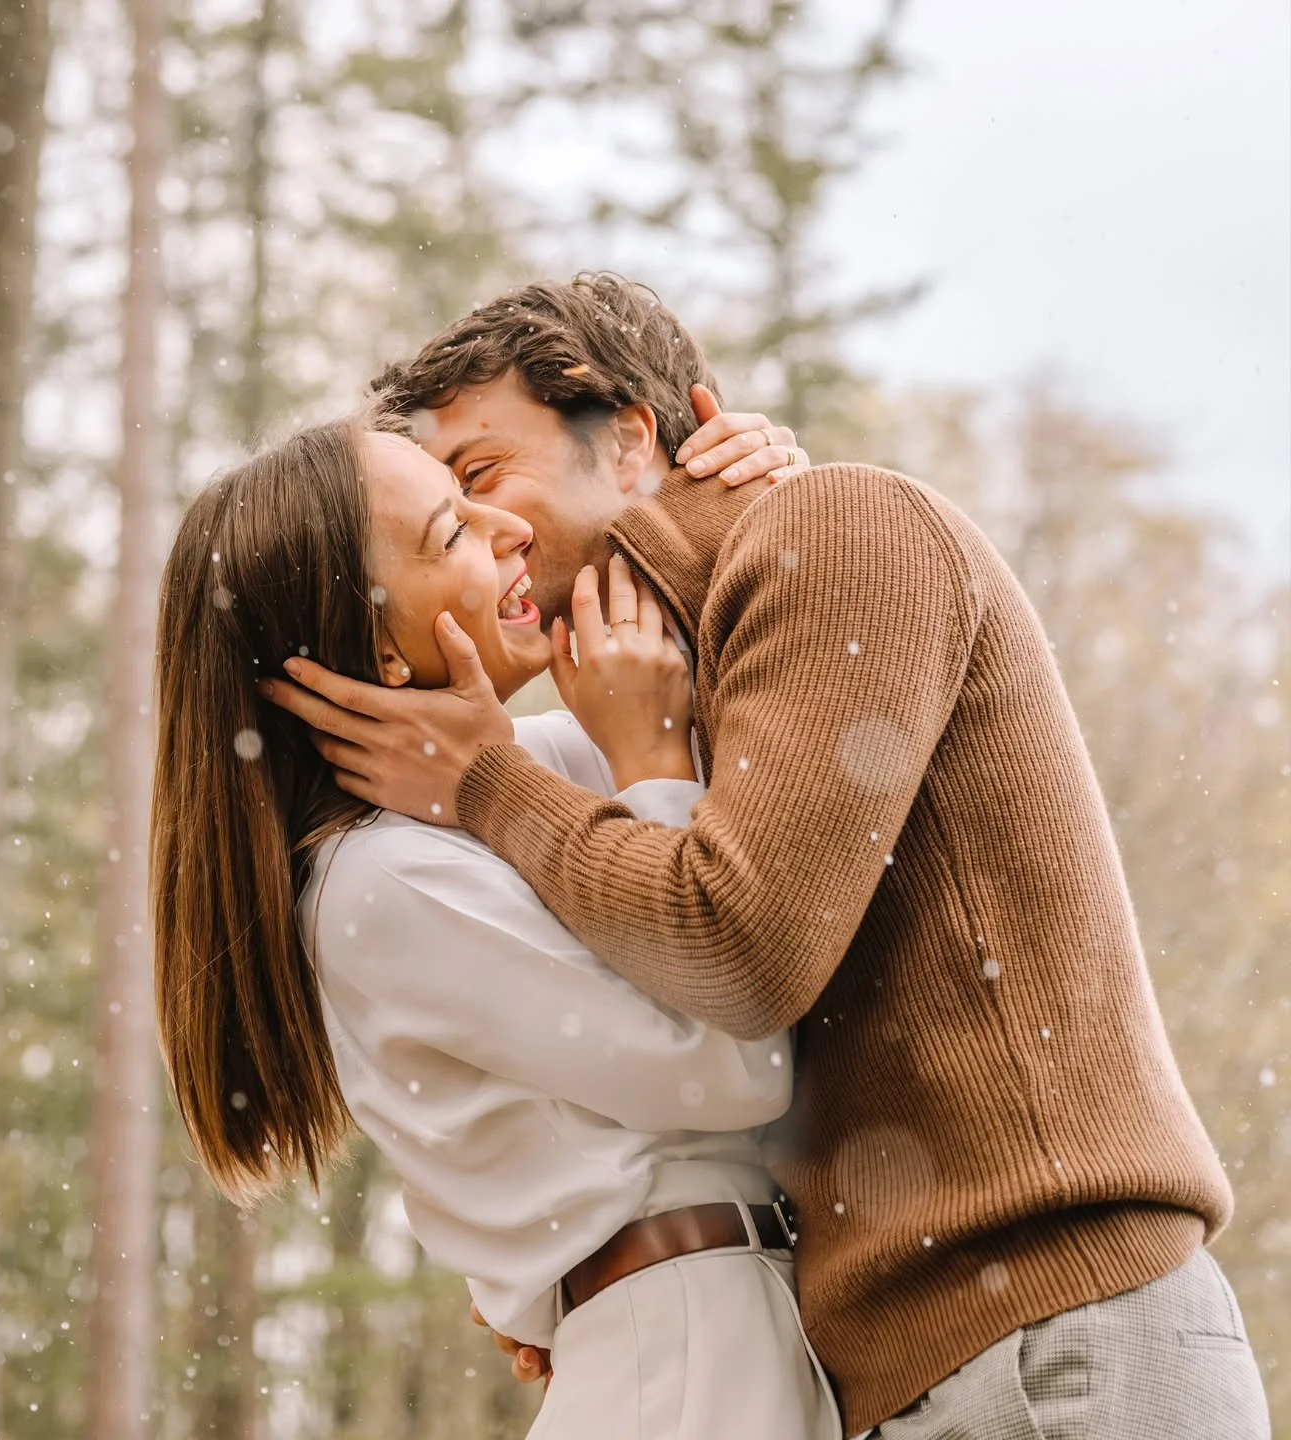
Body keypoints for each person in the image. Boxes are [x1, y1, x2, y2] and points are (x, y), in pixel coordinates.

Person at [264, 273, 1272, 1439]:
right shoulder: (680, 689)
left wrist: (490, 780)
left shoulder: (835, 529)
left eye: (482, 475)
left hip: (1051, 1332)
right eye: (445, 506)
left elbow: (738, 960)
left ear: (631, 440)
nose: (483, 536)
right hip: (936, 1357)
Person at [150, 413, 842, 1439]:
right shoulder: (381, 883)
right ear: (386, 652)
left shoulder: (507, 784)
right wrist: (652, 765)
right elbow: (734, 1063)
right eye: (450, 531)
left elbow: (741, 693)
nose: (506, 526)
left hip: (713, 1329)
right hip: (688, 1357)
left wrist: (766, 483)